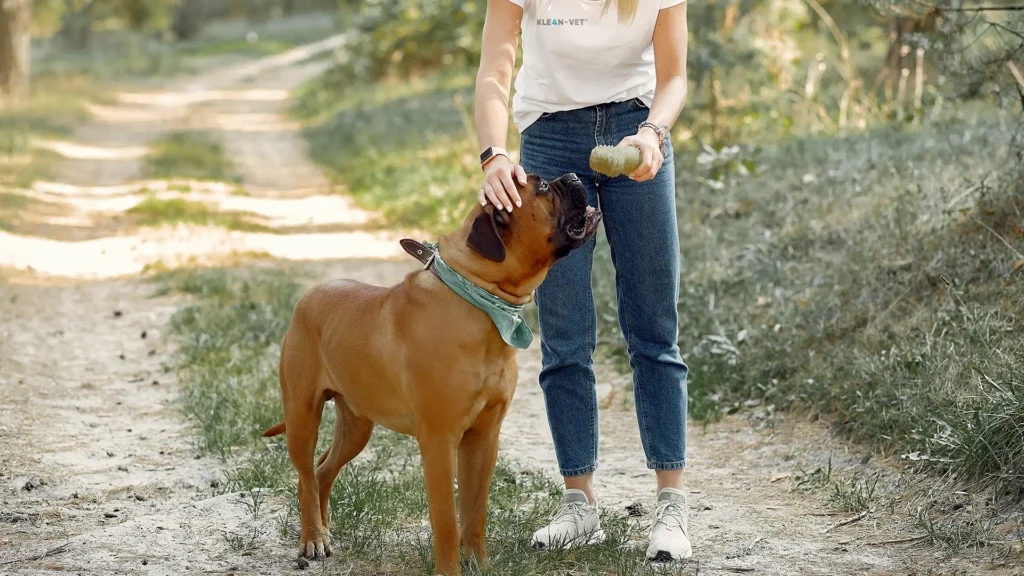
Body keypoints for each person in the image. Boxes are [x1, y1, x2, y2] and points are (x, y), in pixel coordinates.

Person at [472, 0, 693, 564]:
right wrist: (495, 154)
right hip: (550, 136)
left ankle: (671, 505)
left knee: (653, 326)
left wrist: (653, 132)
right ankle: (580, 504)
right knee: (566, 335)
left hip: (635, 132)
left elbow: (674, 77)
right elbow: (496, 69)